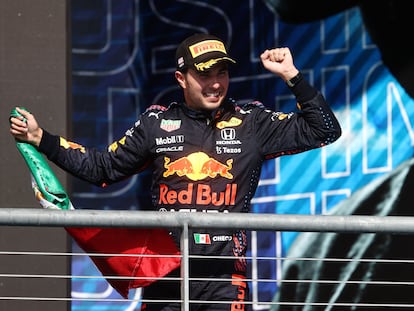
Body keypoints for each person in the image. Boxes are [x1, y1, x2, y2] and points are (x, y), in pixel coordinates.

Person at [9, 33, 341, 310]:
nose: (215, 84)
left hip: (225, 278)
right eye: (205, 74)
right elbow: (102, 169)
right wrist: (42, 139)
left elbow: (324, 130)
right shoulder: (156, 124)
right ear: (181, 78)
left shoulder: (252, 122)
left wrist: (292, 76)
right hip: (165, 274)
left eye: (222, 73)